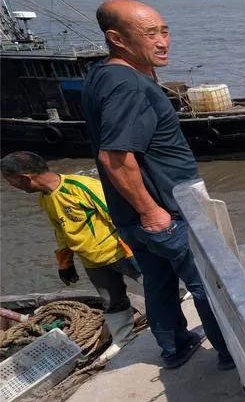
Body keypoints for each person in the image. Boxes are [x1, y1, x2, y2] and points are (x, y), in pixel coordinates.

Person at [82, 0, 233, 371]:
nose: (163, 41)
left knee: (159, 281)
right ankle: (232, 355)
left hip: (131, 213)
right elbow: (115, 157)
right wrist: (154, 212)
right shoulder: (128, 85)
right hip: (164, 210)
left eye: (164, 30)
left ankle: (174, 346)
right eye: (150, 33)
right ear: (117, 39)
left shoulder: (102, 76)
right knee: (207, 284)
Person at [1, 151, 141, 359]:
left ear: (24, 178)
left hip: (120, 252)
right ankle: (124, 338)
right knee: (111, 301)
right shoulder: (45, 199)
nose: (10, 186)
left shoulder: (81, 186)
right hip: (92, 261)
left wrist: (134, 249)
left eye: (9, 180)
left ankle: (180, 314)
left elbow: (115, 214)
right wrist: (65, 263)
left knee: (157, 285)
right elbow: (61, 231)